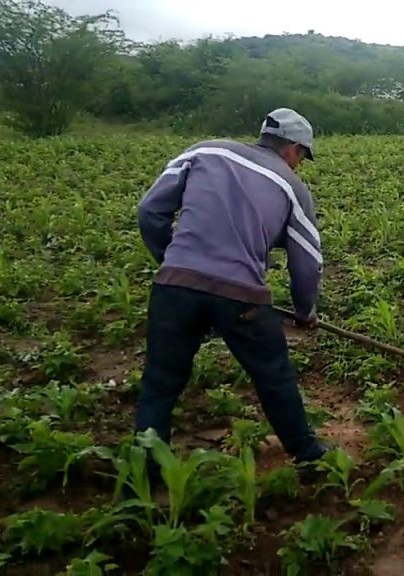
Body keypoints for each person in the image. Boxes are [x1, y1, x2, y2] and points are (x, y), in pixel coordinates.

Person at [135, 107, 329, 470]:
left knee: (160, 381)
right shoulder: (292, 186)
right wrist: (306, 313)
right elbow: (307, 262)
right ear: (292, 150)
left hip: (174, 286)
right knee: (273, 375)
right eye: (302, 156)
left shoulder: (204, 151)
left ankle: (147, 469)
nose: (299, 164)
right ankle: (307, 455)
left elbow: (149, 211)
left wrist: (172, 260)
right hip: (241, 294)